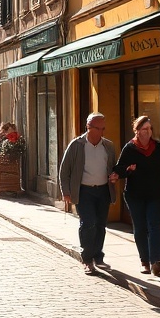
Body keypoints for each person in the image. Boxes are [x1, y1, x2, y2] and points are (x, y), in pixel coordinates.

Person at [59, 113, 118, 275]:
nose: (101, 132)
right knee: (88, 223)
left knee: (100, 225)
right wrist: (66, 192)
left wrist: (114, 176)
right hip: (84, 191)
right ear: (89, 127)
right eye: (98, 128)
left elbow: (113, 167)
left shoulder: (108, 146)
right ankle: (87, 259)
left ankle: (98, 255)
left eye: (103, 128)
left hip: (103, 190)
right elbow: (65, 171)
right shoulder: (76, 145)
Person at [114, 116, 160, 275]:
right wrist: (129, 170)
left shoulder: (158, 148)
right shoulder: (130, 148)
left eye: (149, 128)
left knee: (154, 226)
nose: (148, 132)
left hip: (156, 194)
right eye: (144, 129)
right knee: (140, 228)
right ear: (137, 131)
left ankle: (156, 261)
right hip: (135, 195)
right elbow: (119, 170)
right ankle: (144, 261)